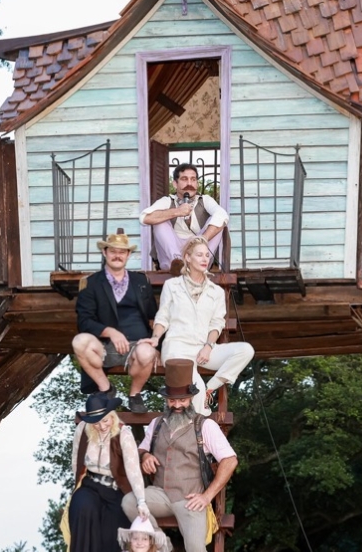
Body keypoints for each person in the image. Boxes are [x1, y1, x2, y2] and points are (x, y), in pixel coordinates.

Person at [122, 359, 239, 552]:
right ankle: (164, 547)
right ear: (166, 399)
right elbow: (140, 449)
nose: (177, 405)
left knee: (197, 549)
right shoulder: (157, 424)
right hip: (160, 493)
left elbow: (230, 460)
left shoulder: (204, 426)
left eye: (182, 400)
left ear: (191, 398)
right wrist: (145, 456)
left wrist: (207, 496)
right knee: (129, 502)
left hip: (191, 498)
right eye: (172, 400)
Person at [139, 237, 254, 417]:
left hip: (203, 348)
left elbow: (217, 323)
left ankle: (211, 388)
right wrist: (155, 338)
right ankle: (198, 429)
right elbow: (163, 317)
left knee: (245, 350)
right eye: (199, 255)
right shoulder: (172, 286)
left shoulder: (216, 291)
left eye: (207, 255)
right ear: (188, 257)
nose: (204, 259)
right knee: (196, 390)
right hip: (177, 349)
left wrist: (208, 346)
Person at [66, 393, 152, 552]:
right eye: (97, 422)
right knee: (82, 511)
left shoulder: (123, 433)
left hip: (115, 491)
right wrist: (75, 487)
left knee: (109, 540)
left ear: (111, 416)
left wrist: (141, 501)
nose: (102, 426)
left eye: (105, 420)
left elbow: (133, 470)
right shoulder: (83, 430)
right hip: (90, 486)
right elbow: (76, 460)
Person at [72, 228, 159, 413]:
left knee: (147, 352)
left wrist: (157, 343)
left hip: (137, 346)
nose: (117, 256)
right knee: (79, 341)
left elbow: (153, 317)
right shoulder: (91, 283)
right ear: (105, 253)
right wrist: (110, 332)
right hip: (104, 348)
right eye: (113, 251)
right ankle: (106, 389)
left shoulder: (140, 281)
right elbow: (84, 322)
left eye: (122, 252)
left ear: (128, 255)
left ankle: (135, 395)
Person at [140, 163, 228, 271]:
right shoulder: (167, 201)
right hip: (172, 261)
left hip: (199, 253)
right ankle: (179, 263)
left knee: (218, 220)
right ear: (175, 184)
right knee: (159, 220)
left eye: (193, 179)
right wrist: (177, 211)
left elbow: (222, 215)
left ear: (197, 183)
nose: (189, 183)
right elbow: (144, 217)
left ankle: (195, 263)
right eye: (184, 179)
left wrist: (202, 239)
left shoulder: (205, 200)